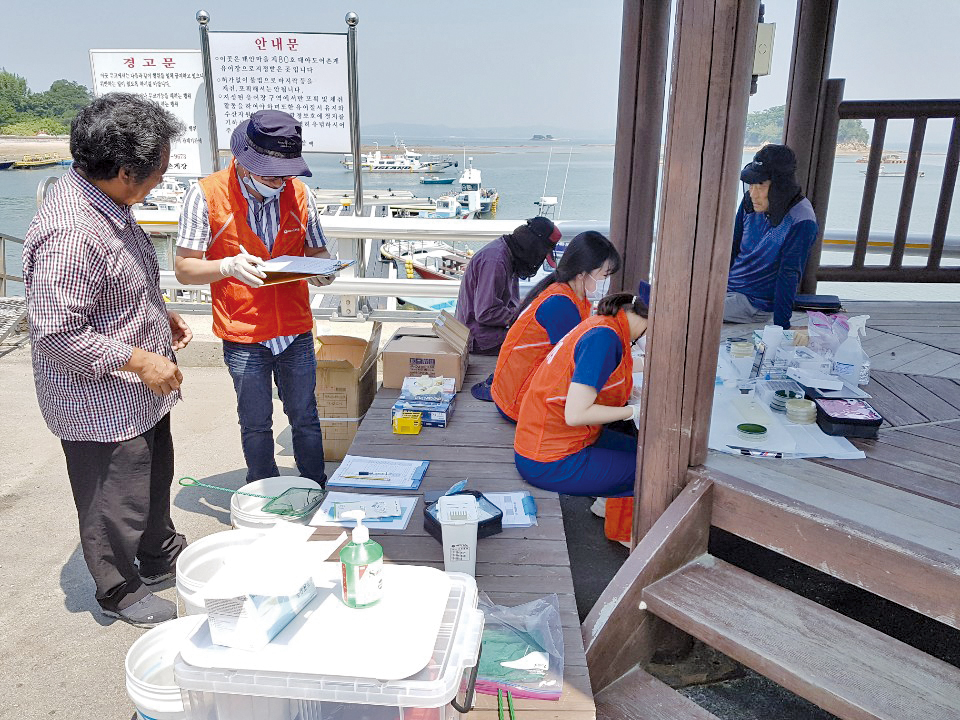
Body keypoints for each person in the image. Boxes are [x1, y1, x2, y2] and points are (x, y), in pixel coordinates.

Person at [23, 93, 190, 627]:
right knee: (111, 497)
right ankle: (118, 587)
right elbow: (55, 333)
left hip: (139, 392)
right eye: (158, 172)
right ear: (123, 170)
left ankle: (159, 553)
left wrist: (159, 318)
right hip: (99, 400)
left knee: (152, 473)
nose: (160, 181)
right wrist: (139, 358)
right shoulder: (72, 231)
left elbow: (116, 285)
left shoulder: (108, 204)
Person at [174, 110, 333, 486]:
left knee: (305, 415)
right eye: (269, 175)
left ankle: (315, 486)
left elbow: (318, 254)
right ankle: (263, 491)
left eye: (286, 175)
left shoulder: (299, 193)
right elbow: (185, 268)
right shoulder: (206, 195)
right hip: (243, 331)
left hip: (294, 329)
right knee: (256, 422)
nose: (279, 183)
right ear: (244, 163)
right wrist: (227, 266)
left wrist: (324, 271)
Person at [513, 293, 648, 546]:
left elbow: (617, 365)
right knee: (649, 469)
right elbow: (576, 414)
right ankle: (624, 535)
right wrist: (636, 411)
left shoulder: (605, 325)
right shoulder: (605, 339)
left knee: (644, 449)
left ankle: (605, 504)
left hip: (548, 440)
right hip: (550, 459)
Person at [489, 231, 621, 421]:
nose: (604, 283)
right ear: (582, 273)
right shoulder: (561, 306)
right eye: (603, 276)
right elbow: (579, 366)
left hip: (512, 393)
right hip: (519, 403)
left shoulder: (569, 294)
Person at [724, 143, 818, 329]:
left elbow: (789, 273)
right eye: (750, 184)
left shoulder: (801, 219)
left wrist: (782, 326)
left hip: (754, 303)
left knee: (676, 309)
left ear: (780, 187)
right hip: (726, 289)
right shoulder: (750, 201)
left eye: (760, 185)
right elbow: (733, 248)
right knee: (661, 296)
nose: (753, 193)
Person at [455, 216, 562, 354]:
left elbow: (507, 304)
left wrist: (528, 309)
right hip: (478, 337)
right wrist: (525, 316)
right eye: (540, 256)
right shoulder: (496, 261)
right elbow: (486, 313)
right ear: (532, 247)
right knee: (543, 342)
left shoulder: (510, 253)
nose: (538, 262)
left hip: (486, 331)